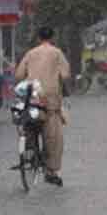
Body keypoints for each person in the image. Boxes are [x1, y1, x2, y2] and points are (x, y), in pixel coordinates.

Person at [15, 26, 71, 186]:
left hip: (31, 100)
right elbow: (65, 75)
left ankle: (29, 153)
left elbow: (19, 75)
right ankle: (51, 171)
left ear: (38, 38)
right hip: (50, 102)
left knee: (27, 127)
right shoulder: (57, 53)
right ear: (52, 38)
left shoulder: (30, 53)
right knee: (53, 139)